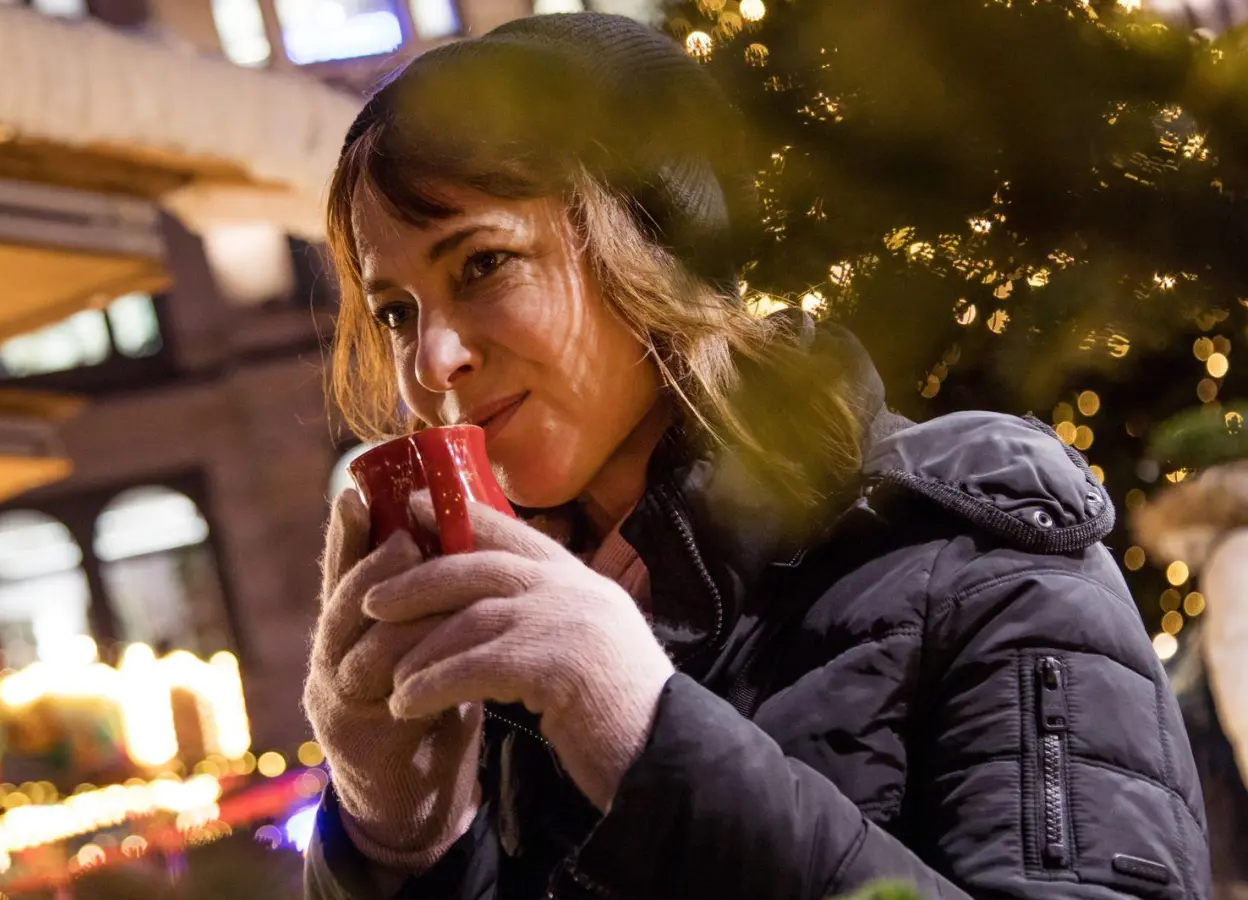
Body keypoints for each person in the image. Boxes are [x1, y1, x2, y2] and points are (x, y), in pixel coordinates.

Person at [301, 12, 1210, 899]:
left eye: (482, 264)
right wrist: (400, 839)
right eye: (395, 312)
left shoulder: (975, 544)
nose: (430, 362)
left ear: (653, 245)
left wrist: (643, 733)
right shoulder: (501, 665)